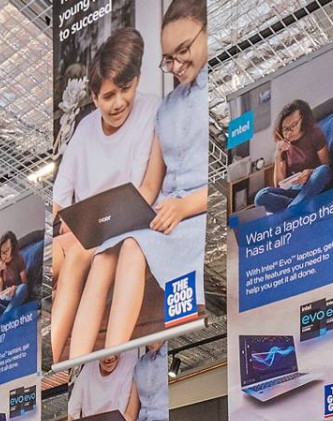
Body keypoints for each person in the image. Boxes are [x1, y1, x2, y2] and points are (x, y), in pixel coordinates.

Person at [97, 0, 210, 356]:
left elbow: (233, 177)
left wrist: (185, 206)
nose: (175, 65)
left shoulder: (222, 91)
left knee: (133, 246)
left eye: (183, 51)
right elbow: (150, 185)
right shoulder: (167, 107)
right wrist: (118, 220)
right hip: (164, 214)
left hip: (199, 214)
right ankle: (92, 360)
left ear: (207, 33)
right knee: (107, 251)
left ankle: (113, 351)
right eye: (168, 59)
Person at [49, 28, 163, 362]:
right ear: (94, 97)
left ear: (136, 80)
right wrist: (58, 229)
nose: (119, 103)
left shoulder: (152, 111)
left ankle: (69, 363)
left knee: (80, 260)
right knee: (54, 260)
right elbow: (59, 196)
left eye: (126, 89)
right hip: (84, 229)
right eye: (109, 96)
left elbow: (145, 188)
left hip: (124, 225)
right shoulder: (85, 128)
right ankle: (47, 359)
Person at [254, 99, 332, 214]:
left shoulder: (315, 133)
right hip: (296, 190)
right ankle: (302, 206)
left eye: (293, 125)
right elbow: (278, 185)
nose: (289, 132)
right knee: (260, 196)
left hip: (314, 184)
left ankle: (293, 209)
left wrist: (310, 172)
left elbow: (326, 166)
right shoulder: (284, 145)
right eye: (285, 128)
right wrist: (278, 154)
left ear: (303, 120)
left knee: (323, 170)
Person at [0, 230, 31, 318]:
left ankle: (5, 317)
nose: (4, 255)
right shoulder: (0, 264)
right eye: (2, 251)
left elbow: (25, 284)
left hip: (18, 297)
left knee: (23, 288)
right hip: (8, 301)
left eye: (6, 251)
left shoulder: (18, 259)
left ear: (12, 248)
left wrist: (15, 288)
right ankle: (11, 315)